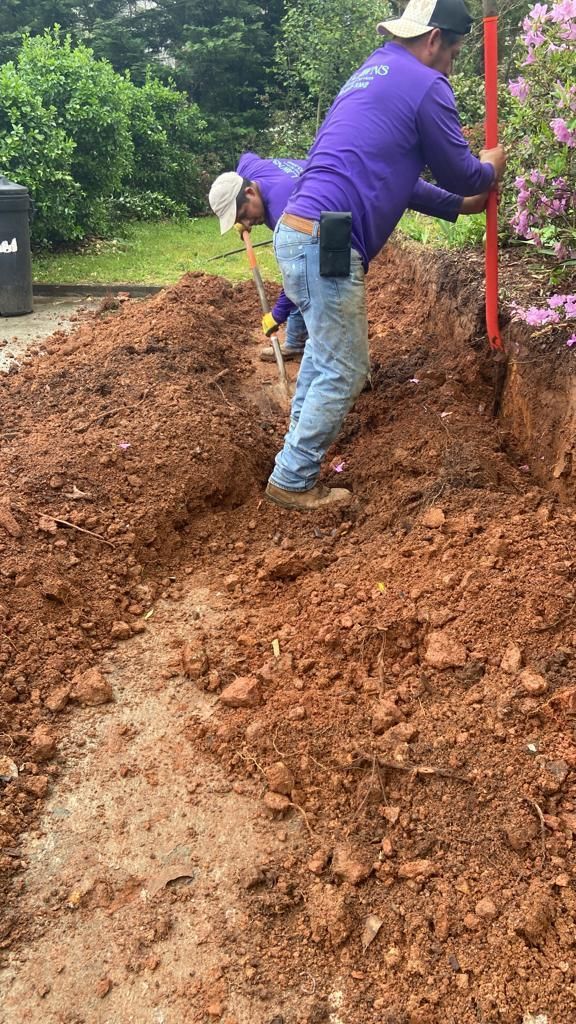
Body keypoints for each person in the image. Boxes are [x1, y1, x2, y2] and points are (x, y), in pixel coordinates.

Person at [265, 0, 507, 512]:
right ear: (435, 38)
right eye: (456, 54)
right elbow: (464, 173)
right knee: (346, 367)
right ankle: (293, 476)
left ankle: (293, 456)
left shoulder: (369, 76)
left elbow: (392, 177)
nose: (451, 66)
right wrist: (489, 169)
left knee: (323, 356)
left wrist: (456, 209)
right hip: (327, 239)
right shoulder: (425, 84)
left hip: (297, 230)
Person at [209, 153, 308, 362]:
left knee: (316, 288)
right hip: (317, 212)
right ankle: (296, 343)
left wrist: (277, 315)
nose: (248, 222)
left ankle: (343, 369)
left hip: (338, 221)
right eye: (240, 219)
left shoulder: (285, 211)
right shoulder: (250, 171)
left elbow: (298, 273)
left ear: (250, 191)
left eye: (245, 213)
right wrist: (239, 217)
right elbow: (246, 158)